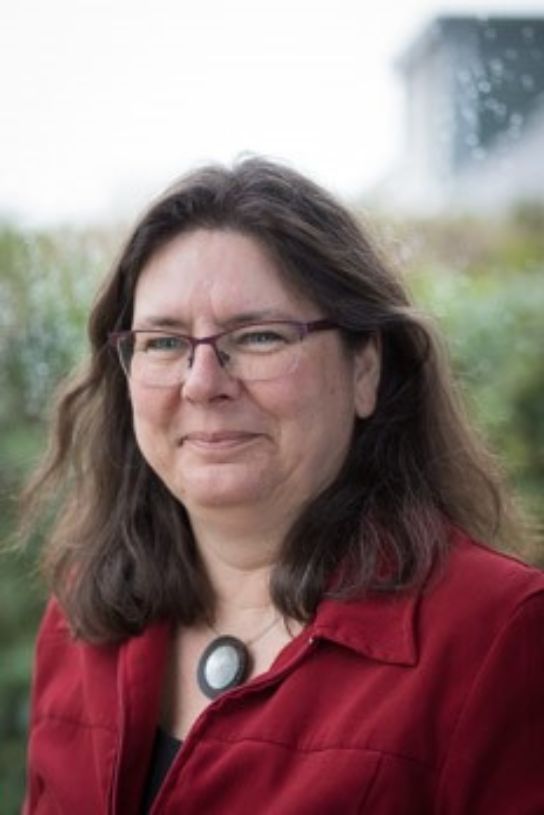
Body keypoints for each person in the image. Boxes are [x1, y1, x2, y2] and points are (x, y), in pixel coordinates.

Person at [22, 157, 544, 815]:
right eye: (163, 342)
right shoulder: (79, 616)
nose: (202, 383)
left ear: (364, 369)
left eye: (259, 336)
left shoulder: (499, 633)